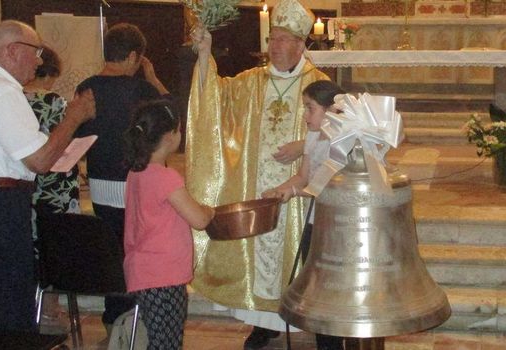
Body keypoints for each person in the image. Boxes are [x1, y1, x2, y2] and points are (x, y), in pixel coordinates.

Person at [187, 0, 329, 348]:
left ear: (300, 44)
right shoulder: (251, 82)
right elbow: (213, 99)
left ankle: (302, 320)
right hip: (257, 186)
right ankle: (263, 324)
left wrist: (304, 143)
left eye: (282, 40)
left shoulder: (320, 84)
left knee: (299, 256)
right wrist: (205, 54)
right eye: (272, 40)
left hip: (297, 190)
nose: (274, 47)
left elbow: (339, 128)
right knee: (260, 255)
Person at [0, 20, 95, 332]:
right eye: (35, 51)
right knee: (8, 302)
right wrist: (73, 117)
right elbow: (39, 160)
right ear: (12, 50)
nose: (40, 60)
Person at [74, 22, 170, 330]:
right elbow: (170, 118)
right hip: (135, 184)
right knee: (137, 252)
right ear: (132, 56)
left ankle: (114, 314)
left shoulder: (86, 86)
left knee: (111, 251)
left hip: (100, 184)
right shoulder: (141, 89)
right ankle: (136, 316)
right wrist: (154, 79)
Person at [123, 100, 215, 349]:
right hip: (161, 275)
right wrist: (210, 209)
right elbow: (199, 219)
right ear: (169, 136)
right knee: (167, 343)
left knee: (161, 339)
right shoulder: (165, 177)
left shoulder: (136, 172)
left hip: (145, 270)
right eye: (179, 129)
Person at [263, 80, 346, 350]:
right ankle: (326, 344)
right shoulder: (312, 137)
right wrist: (279, 189)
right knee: (318, 290)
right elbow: (303, 176)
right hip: (315, 224)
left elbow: (327, 184)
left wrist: (294, 194)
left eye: (310, 108)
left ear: (331, 111)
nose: (305, 115)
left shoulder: (343, 140)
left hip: (339, 228)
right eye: (304, 108)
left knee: (337, 293)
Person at [24, 45, 77, 332]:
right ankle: (51, 312)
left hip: (25, 183)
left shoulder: (16, 96)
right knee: (54, 246)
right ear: (52, 73)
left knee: (31, 246)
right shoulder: (53, 100)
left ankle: (33, 306)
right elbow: (64, 141)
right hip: (54, 184)